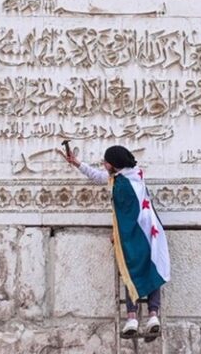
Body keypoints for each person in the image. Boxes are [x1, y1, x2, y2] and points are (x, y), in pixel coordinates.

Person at [60, 145, 171, 340]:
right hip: (150, 230)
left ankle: (132, 318)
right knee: (151, 267)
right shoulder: (134, 175)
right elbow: (100, 177)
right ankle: (153, 316)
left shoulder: (121, 185)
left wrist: (117, 233)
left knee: (129, 270)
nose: (104, 164)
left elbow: (124, 215)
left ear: (114, 165)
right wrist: (77, 163)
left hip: (134, 234)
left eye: (106, 162)